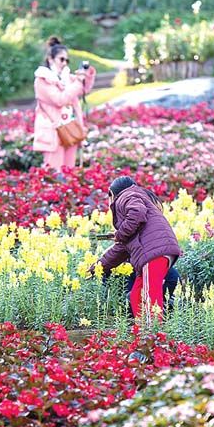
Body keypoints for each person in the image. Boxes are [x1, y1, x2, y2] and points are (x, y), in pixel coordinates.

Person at [93, 176, 181, 320]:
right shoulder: (134, 199)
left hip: (153, 253)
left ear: (112, 193)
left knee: (149, 295)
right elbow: (120, 249)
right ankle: (142, 335)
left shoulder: (127, 195)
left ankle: (154, 336)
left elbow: (137, 212)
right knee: (136, 296)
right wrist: (98, 267)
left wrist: (120, 233)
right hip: (155, 252)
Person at [33, 36, 96, 169]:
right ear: (50, 59)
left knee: (69, 172)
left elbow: (84, 89)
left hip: (70, 130)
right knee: (54, 174)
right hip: (53, 132)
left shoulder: (66, 78)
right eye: (61, 59)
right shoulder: (42, 80)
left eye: (67, 60)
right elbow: (60, 100)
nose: (65, 63)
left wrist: (86, 75)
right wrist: (78, 82)